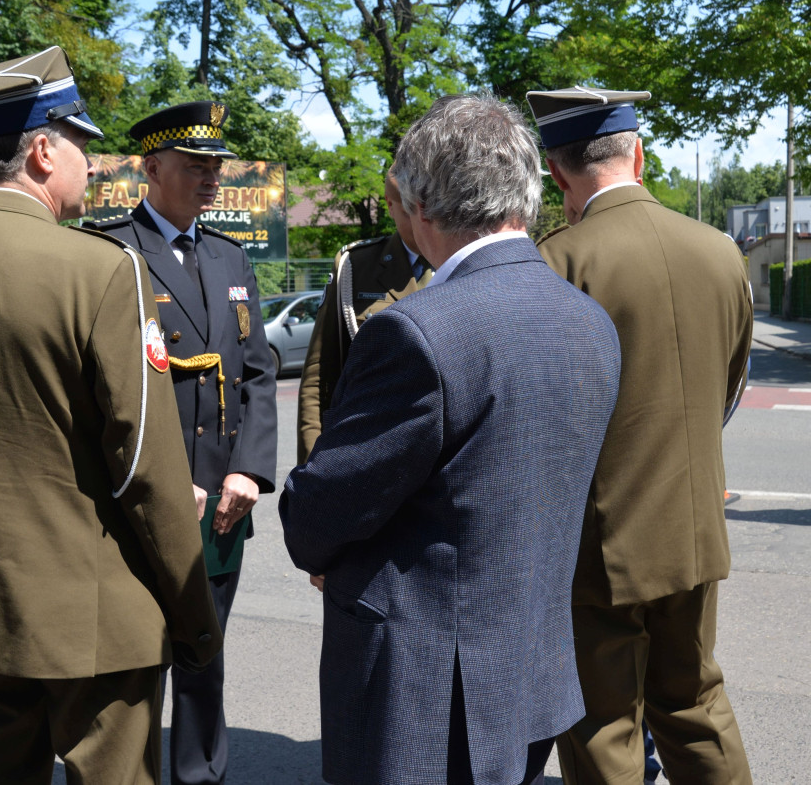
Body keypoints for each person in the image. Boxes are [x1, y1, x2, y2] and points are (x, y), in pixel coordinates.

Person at [0, 46, 222, 785]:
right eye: (82, 144)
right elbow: (144, 468)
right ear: (44, 151)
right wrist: (194, 619)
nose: (93, 162)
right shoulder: (100, 269)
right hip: (98, 625)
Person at [279, 93, 622, 785]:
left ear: (424, 205)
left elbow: (317, 515)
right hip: (531, 671)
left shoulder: (419, 331)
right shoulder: (589, 321)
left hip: (427, 690)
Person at [527, 85, 754, 785]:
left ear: (557, 172)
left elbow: (547, 418)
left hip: (599, 543)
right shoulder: (720, 250)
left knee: (604, 722)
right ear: (639, 154)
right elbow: (727, 391)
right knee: (695, 702)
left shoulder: (557, 259)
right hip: (693, 528)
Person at [92, 102, 277, 785]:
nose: (211, 179)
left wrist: (250, 471)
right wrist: (165, 477)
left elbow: (257, 370)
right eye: (196, 166)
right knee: (138, 658)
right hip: (144, 494)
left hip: (221, 496)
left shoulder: (229, 256)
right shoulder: (110, 249)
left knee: (206, 652)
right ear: (152, 167)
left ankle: (200, 776)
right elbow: (102, 390)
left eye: (216, 167)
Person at [297, 167, 432, 464]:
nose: (421, 218)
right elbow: (321, 375)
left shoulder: (462, 262)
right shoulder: (356, 267)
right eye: (409, 208)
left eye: (428, 204)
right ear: (389, 205)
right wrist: (313, 463)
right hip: (370, 453)